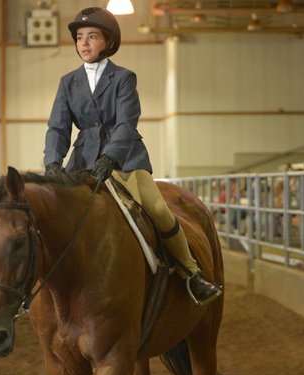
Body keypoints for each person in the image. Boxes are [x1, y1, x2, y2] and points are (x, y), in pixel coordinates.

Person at [43, 7, 221, 306]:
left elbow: (126, 123)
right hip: (83, 163)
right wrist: (52, 162)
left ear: (108, 41)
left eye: (92, 37)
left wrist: (110, 158)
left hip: (125, 160)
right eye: (79, 38)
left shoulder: (124, 78)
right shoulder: (67, 83)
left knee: (158, 209)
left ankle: (192, 274)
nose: (84, 43)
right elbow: (57, 127)